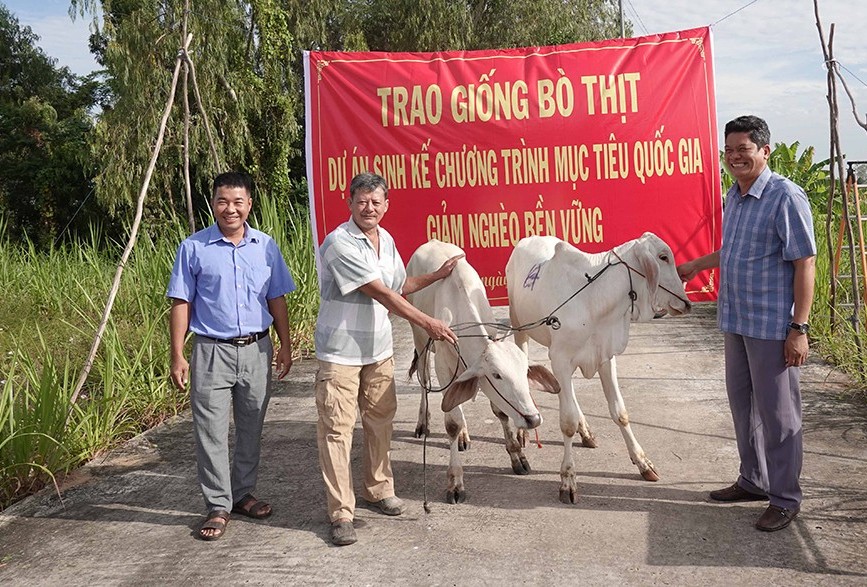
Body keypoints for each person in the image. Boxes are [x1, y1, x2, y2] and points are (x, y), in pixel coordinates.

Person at [677, 115, 816, 532]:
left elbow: (805, 262)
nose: (736, 156)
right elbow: (734, 250)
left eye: (744, 149)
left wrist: (799, 328)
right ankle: (753, 480)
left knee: (779, 414)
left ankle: (786, 497)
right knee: (743, 407)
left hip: (771, 325)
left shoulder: (785, 197)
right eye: (730, 150)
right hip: (735, 318)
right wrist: (696, 265)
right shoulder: (734, 196)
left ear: (764, 151)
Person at [314, 171, 461, 546]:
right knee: (337, 430)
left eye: (376, 202)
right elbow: (379, 292)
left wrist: (435, 276)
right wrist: (429, 322)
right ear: (349, 203)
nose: (369, 208)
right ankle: (341, 513)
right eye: (361, 201)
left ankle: (378, 490)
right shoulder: (338, 242)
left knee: (381, 423)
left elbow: (399, 286)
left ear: (386, 205)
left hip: (378, 351)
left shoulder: (387, 240)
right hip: (341, 354)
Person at [167, 171, 295, 541]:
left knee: (252, 425)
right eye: (223, 201)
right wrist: (178, 355)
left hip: (257, 348)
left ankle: (243, 494)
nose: (230, 209)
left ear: (249, 204)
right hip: (210, 351)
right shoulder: (194, 247)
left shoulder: (266, 246)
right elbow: (181, 302)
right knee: (210, 431)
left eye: (238, 201)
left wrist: (285, 346)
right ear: (213, 203)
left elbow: (277, 298)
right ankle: (218, 505)